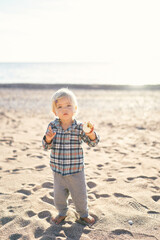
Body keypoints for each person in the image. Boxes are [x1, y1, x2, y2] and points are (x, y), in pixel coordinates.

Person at [42, 88, 99, 225]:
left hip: (76, 171)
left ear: (75, 108)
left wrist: (91, 133)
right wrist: (48, 139)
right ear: (55, 111)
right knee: (59, 197)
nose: (64, 109)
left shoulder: (80, 127)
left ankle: (83, 214)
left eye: (68, 105)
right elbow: (46, 146)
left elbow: (93, 143)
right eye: (60, 107)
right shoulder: (52, 126)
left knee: (80, 196)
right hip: (58, 171)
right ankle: (62, 212)